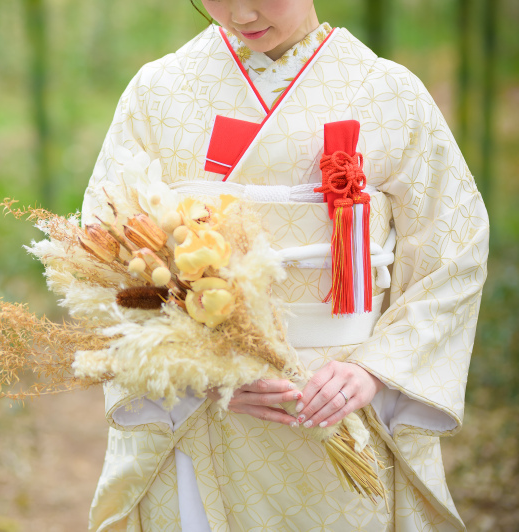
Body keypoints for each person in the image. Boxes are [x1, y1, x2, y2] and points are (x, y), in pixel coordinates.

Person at [80, 1, 489, 530]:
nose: (240, 11)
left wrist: (376, 370)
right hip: (207, 410)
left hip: (343, 398)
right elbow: (107, 248)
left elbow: (454, 249)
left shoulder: (391, 93)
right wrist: (202, 367)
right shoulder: (157, 93)